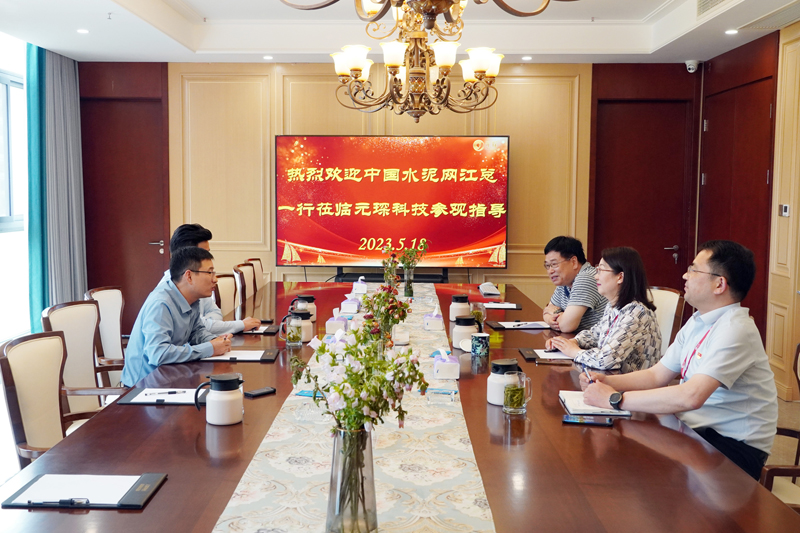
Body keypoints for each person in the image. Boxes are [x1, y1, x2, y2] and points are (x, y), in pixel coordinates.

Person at [581, 240, 778, 480]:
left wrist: (615, 399)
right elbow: (656, 375)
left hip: (732, 447)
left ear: (719, 284)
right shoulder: (698, 321)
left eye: (694, 269)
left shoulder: (736, 329)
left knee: (636, 467)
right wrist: (608, 381)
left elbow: (691, 396)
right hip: (693, 430)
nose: (685, 275)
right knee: (625, 451)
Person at [121, 247, 232, 386]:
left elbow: (196, 332)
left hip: (170, 377)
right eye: (209, 273)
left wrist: (216, 341)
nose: (215, 279)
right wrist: (210, 348)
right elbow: (158, 354)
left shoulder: (192, 299)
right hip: (143, 387)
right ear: (189, 276)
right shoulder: (161, 304)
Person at [546, 247, 661, 372]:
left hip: (630, 382)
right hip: (610, 378)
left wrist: (574, 351)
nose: (596, 276)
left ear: (620, 277)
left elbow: (606, 359)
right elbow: (595, 334)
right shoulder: (613, 306)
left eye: (601, 270)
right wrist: (572, 342)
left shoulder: (637, 313)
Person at [161, 223, 261, 335]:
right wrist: (240, 325)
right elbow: (199, 326)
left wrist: (208, 324)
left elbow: (214, 313)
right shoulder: (167, 295)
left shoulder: (198, 282)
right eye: (204, 253)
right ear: (186, 255)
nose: (209, 257)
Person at [542, 236, 608, 333]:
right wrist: (549, 318)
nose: (550, 271)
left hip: (596, 341)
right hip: (577, 339)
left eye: (554, 264)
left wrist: (555, 312)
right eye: (548, 265)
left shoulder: (586, 278)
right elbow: (547, 310)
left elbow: (567, 326)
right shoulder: (565, 281)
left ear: (574, 262)